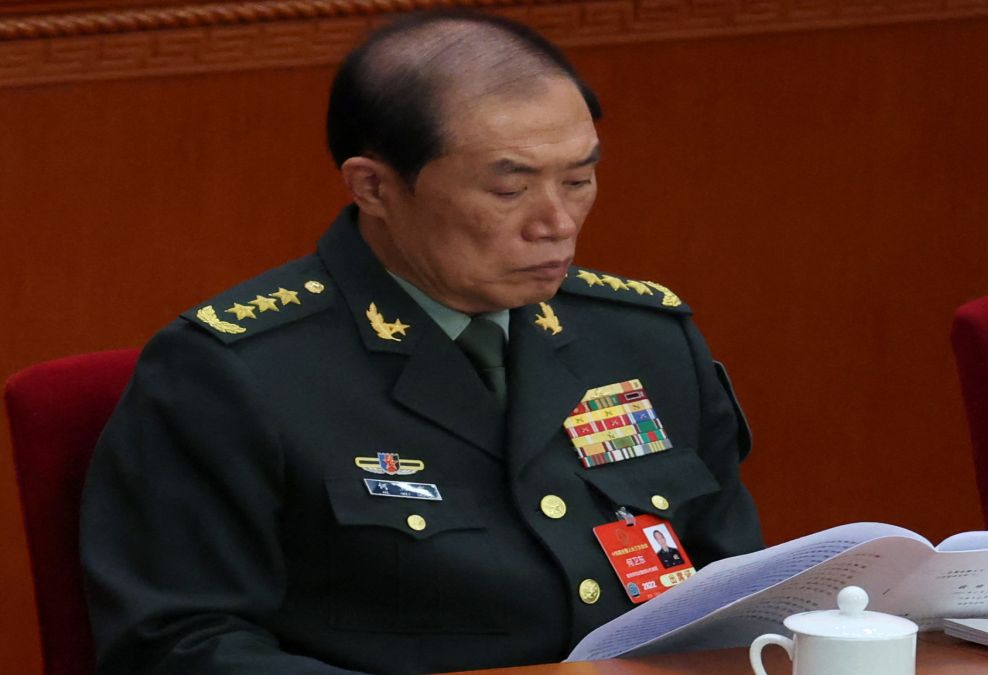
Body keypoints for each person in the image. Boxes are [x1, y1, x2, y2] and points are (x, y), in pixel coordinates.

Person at [80, 9, 763, 675]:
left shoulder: (647, 337)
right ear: (373, 186)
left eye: (579, 180)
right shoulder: (233, 371)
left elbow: (733, 594)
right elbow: (175, 645)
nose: (557, 223)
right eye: (509, 189)